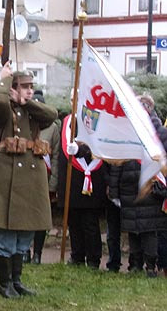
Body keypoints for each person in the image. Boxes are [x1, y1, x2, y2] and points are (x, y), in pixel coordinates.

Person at [0, 64, 57, 298]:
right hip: (8, 175)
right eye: (24, 87)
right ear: (13, 89)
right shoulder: (4, 110)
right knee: (6, 231)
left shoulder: (32, 110)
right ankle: (5, 284)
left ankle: (17, 280)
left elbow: (51, 115)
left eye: (31, 87)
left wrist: (27, 102)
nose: (29, 90)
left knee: (25, 231)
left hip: (31, 177)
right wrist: (4, 82)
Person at [108, 94, 167, 277]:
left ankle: (150, 265)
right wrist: (114, 191)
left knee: (149, 230)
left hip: (150, 187)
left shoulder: (159, 132)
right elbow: (117, 162)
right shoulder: (126, 131)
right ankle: (135, 264)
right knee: (132, 229)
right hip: (128, 188)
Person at [59, 90, 106, 269]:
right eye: (71, 99)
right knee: (74, 222)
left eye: (76, 99)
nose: (73, 102)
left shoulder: (93, 120)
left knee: (89, 223)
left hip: (89, 180)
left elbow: (97, 147)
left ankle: (93, 259)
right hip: (71, 181)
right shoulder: (66, 121)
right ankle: (77, 256)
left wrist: (80, 150)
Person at [27, 89, 60, 264]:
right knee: (25, 215)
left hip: (44, 178)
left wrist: (53, 183)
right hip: (27, 177)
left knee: (40, 218)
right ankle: (24, 251)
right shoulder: (26, 123)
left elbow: (55, 157)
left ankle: (37, 253)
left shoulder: (53, 127)